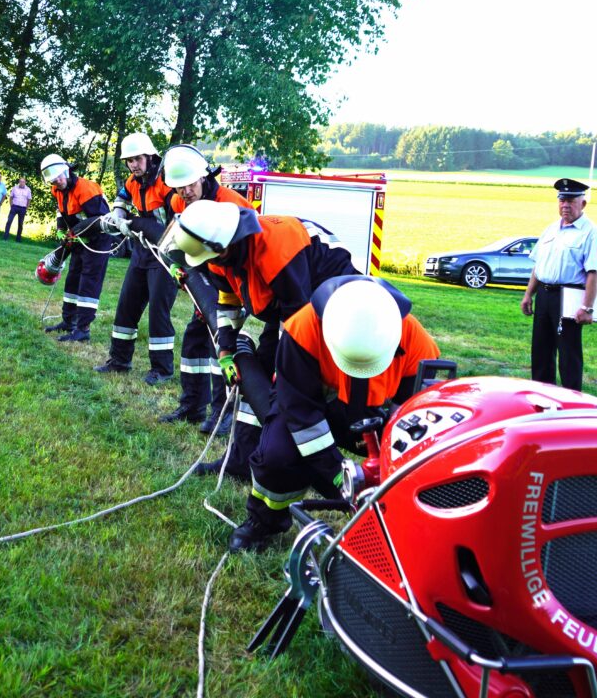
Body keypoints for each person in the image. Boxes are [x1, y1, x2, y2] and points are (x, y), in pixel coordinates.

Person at [228, 276, 439, 552]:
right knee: (277, 453)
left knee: (417, 466)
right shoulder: (303, 329)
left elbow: (418, 423)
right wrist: (339, 476)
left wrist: (387, 468)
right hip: (310, 403)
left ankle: (404, 531)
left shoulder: (417, 342)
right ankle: (264, 520)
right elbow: (301, 416)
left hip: (371, 414)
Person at [164, 199, 361, 480]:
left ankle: (323, 464)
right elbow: (227, 301)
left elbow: (298, 323)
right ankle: (240, 461)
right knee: (257, 370)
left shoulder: (278, 251)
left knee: (294, 384)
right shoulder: (220, 253)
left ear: (223, 248)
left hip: (330, 300)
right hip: (290, 305)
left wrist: (285, 373)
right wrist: (226, 350)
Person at [160, 144, 252, 436]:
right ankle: (191, 406)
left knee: (220, 342)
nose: (184, 192)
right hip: (205, 274)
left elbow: (247, 253)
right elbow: (174, 238)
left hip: (234, 280)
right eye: (178, 187)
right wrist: (173, 263)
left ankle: (222, 413)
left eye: (189, 184)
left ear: (203, 176)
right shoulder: (179, 202)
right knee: (193, 341)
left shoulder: (232, 203)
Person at [94, 133, 178, 386]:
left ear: (150, 157)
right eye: (129, 160)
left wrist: (138, 223)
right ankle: (119, 360)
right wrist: (119, 218)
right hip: (142, 252)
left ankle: (162, 370)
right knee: (126, 307)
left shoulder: (167, 181)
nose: (133, 164)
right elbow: (121, 201)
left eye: (137, 159)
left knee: (158, 313)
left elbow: (175, 222)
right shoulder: (132, 182)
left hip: (165, 254)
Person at [520, 178, 597, 391]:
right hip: (545, 295)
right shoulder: (551, 229)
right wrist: (528, 294)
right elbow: (539, 265)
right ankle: (542, 393)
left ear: (583, 204)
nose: (565, 205)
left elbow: (594, 273)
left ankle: (571, 398)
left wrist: (587, 307)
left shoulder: (591, 233)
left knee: (568, 352)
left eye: (571, 201)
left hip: (569, 297)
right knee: (540, 349)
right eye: (562, 200)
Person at [41, 153, 112, 342]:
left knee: (88, 282)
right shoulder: (57, 191)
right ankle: (68, 321)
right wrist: (60, 232)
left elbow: (101, 220)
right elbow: (62, 214)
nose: (57, 180)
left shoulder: (87, 189)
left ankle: (83, 329)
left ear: (67, 170)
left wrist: (77, 233)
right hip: (79, 241)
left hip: (98, 242)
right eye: (52, 179)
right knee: (72, 278)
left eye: (59, 175)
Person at [4, 177, 32, 241]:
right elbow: (11, 197)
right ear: (19, 182)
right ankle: (5, 236)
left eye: (23, 182)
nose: (21, 183)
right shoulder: (15, 188)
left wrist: (26, 208)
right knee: (9, 221)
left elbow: (29, 199)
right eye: (20, 181)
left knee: (20, 223)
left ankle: (18, 238)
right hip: (14, 207)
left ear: (25, 182)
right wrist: (11, 205)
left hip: (22, 208)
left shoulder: (28, 190)